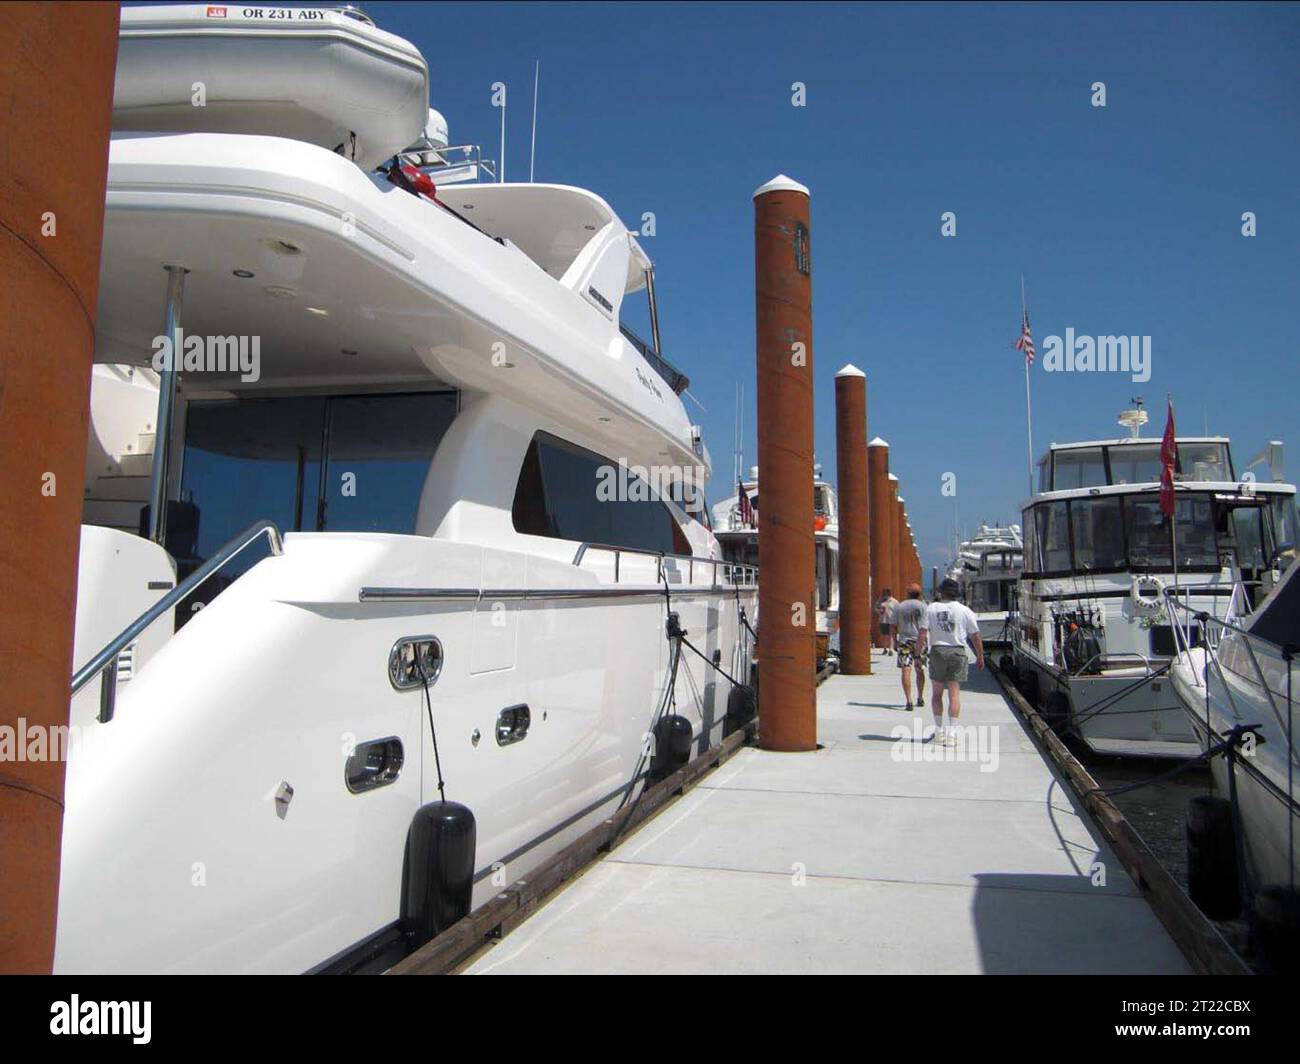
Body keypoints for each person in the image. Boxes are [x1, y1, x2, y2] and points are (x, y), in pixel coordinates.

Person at [918, 578, 984, 747]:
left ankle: (939, 732)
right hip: (957, 650)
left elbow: (923, 634)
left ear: (941, 592)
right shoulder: (965, 610)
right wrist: (980, 656)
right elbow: (975, 636)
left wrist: (917, 655)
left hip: (938, 650)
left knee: (937, 693)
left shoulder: (931, 608)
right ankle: (952, 733)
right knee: (954, 694)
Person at [892, 584, 927, 709]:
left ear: (907, 593)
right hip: (919, 641)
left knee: (906, 669)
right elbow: (925, 627)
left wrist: (894, 641)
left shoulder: (899, 606)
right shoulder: (923, 606)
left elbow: (893, 625)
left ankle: (909, 700)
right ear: (919, 594)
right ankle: (920, 697)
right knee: (920, 669)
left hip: (904, 640)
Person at [876, 589, 898, 656]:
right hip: (883, 620)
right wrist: (879, 610)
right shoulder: (880, 601)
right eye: (884, 595)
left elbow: (898, 610)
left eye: (886, 595)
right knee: (884, 635)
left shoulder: (894, 601)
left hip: (891, 620)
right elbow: (875, 608)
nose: (885, 596)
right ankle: (885, 649)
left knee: (891, 635)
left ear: (889, 594)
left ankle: (891, 649)